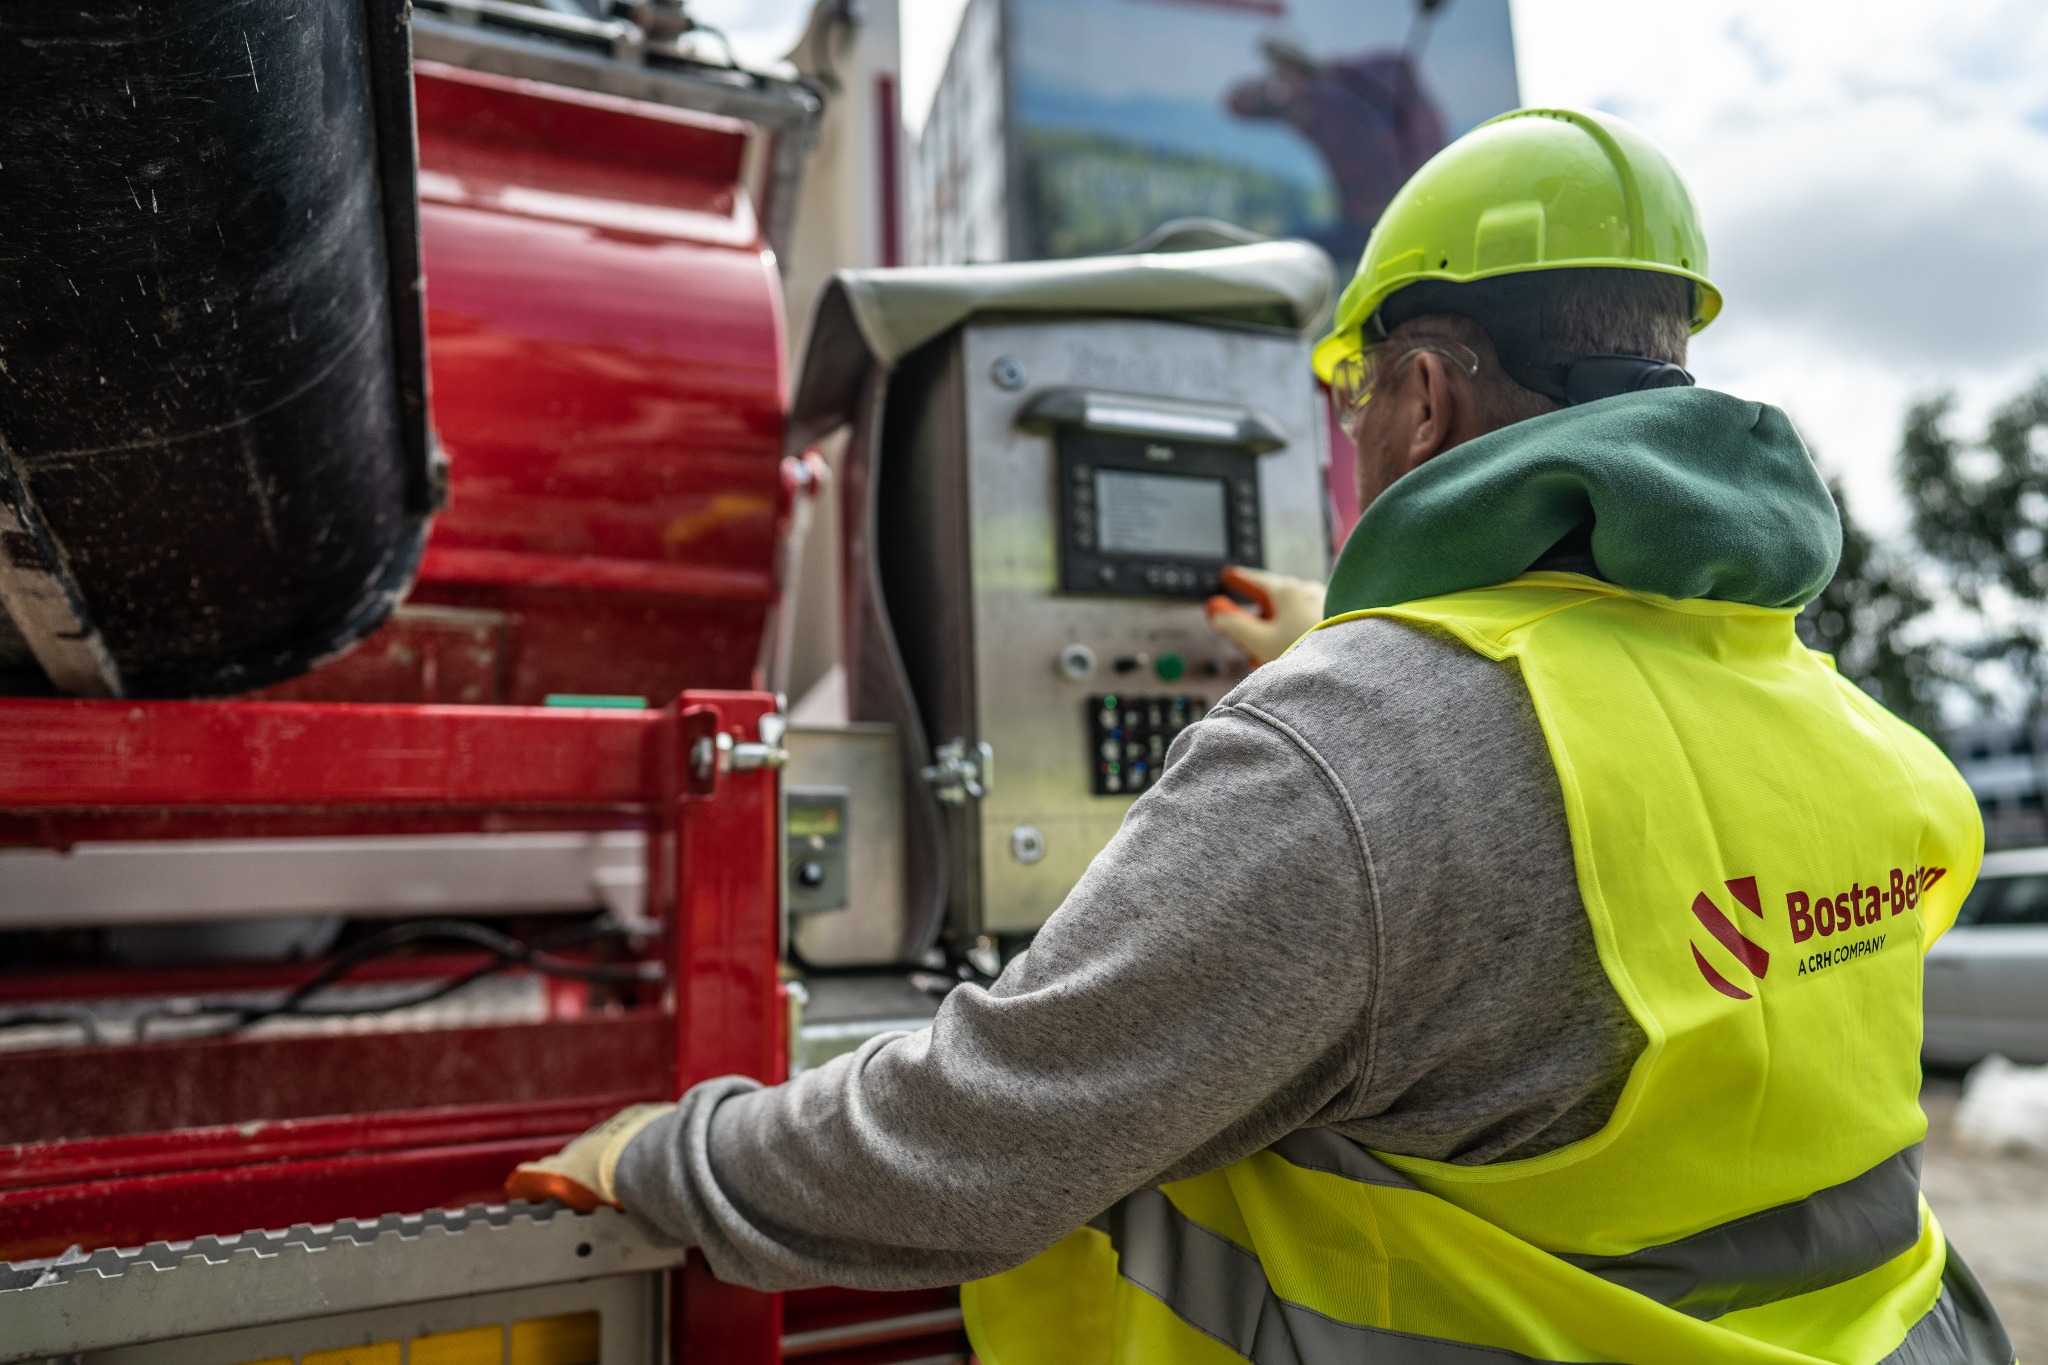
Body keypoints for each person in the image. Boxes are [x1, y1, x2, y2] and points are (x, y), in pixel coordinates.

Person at [510, 108, 2011, 1365]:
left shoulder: (1346, 752)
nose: (1345, 434)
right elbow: (1578, 770)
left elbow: (973, 1146)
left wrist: (663, 1154)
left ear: (1421, 395)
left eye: (1348, 394)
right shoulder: (1838, 723)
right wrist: (1377, 659)